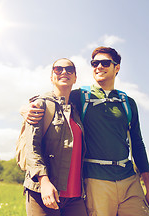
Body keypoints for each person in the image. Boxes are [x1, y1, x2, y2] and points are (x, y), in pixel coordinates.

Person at [23, 47, 149, 216]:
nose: (99, 66)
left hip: (129, 179)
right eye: (95, 63)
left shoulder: (127, 102)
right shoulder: (80, 97)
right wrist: (25, 108)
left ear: (117, 68)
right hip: (96, 179)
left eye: (105, 63)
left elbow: (138, 144)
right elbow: (53, 97)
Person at [23, 58, 88, 216]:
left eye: (69, 69)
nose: (64, 72)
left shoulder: (77, 109)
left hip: (75, 196)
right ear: (52, 77)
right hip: (43, 192)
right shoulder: (40, 105)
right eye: (58, 69)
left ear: (75, 78)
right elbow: (31, 148)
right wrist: (43, 181)